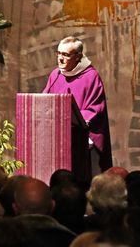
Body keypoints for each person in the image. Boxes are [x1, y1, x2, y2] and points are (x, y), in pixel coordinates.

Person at [43, 36, 112, 182]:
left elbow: (95, 109)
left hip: (82, 137)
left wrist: (73, 119)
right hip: (59, 137)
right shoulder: (55, 75)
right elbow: (45, 100)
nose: (60, 58)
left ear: (78, 56)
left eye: (66, 55)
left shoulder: (91, 76)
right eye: (59, 53)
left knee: (81, 180)